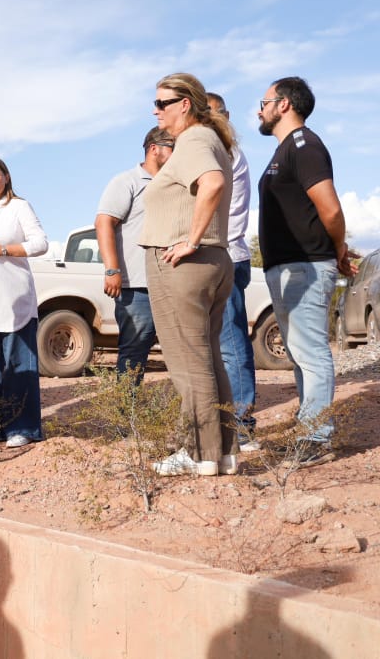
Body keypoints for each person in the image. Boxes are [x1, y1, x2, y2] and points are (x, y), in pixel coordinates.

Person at [140, 73, 237, 477]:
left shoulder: (195, 139)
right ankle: (224, 451)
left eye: (163, 102)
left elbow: (211, 183)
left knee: (187, 363)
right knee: (208, 359)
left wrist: (191, 240)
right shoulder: (212, 140)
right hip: (211, 260)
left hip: (183, 263)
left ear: (186, 104)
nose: (155, 109)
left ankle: (199, 454)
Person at [257, 76, 355, 467]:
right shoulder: (284, 150)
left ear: (284, 105)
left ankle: (316, 437)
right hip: (286, 267)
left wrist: (337, 249)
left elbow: (330, 209)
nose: (260, 110)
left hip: (306, 266)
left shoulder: (305, 146)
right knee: (299, 354)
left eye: (263, 102)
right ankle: (307, 428)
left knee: (311, 352)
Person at [0, 157, 48, 447]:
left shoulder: (18, 207)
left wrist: (3, 249)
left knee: (16, 360)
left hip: (10, 290)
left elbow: (40, 243)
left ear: (6, 177)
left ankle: (22, 428)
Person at [95, 128, 174, 382]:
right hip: (137, 286)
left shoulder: (173, 183)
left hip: (169, 282)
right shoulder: (126, 181)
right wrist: (112, 270)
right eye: (173, 147)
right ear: (154, 149)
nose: (177, 154)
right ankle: (125, 420)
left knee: (177, 353)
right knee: (134, 353)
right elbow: (104, 222)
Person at [207, 92, 258, 450]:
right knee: (218, 341)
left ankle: (241, 424)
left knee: (231, 342)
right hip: (219, 253)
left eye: (212, 114)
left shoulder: (226, 154)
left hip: (226, 254)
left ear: (225, 115)